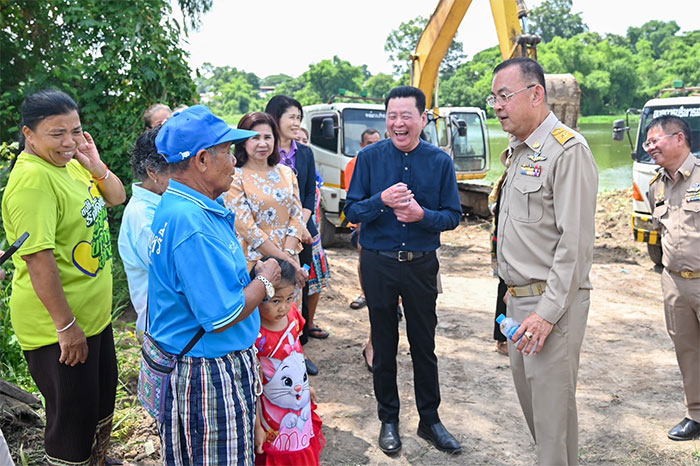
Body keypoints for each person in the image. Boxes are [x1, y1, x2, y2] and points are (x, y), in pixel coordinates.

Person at [147, 105, 282, 464]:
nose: (234, 162)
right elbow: (223, 316)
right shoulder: (191, 222)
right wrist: (265, 281)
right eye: (226, 152)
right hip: (206, 372)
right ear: (202, 160)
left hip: (203, 360)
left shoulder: (189, 205)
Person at [1, 88, 126, 465]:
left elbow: (117, 196)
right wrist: (66, 325)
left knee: (99, 410)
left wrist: (95, 164)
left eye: (75, 130)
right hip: (58, 327)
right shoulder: (33, 181)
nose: (69, 141)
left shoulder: (71, 162)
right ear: (29, 134)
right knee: (72, 427)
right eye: (57, 133)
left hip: (93, 318)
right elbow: (40, 262)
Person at [490, 57, 598, 465]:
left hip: (551, 308)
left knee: (551, 426)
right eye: (494, 97)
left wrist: (547, 313)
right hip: (519, 303)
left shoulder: (567, 151)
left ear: (536, 94)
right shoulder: (519, 152)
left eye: (505, 95)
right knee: (544, 422)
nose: (498, 106)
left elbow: (576, 246)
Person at [344, 86, 463, 455]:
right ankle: (388, 419)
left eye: (406, 116)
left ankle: (430, 420)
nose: (398, 123)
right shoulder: (368, 158)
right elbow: (351, 211)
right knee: (384, 342)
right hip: (378, 263)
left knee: (424, 344)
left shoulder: (440, 161)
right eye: (392, 116)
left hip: (420, 265)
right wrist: (380, 201)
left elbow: (453, 216)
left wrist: (421, 215)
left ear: (422, 119)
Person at [265, 96, 330, 376]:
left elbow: (306, 195)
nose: (296, 123)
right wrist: (286, 232)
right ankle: (269, 350)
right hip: (270, 237)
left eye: (298, 117)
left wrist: (298, 228)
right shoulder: (263, 150)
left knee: (297, 290)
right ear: (275, 117)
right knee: (271, 293)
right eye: (291, 117)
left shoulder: (304, 153)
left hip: (302, 235)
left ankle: (298, 349)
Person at [646, 115, 700, 441]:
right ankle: (695, 413)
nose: (650, 147)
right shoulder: (657, 186)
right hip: (674, 282)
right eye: (648, 142)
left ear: (679, 139)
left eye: (656, 141)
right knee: (687, 350)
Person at [252, 257, 325, 466]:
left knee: (301, 449)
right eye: (275, 300)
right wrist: (257, 424)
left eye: (289, 298)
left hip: (298, 403)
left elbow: (296, 354)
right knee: (277, 453)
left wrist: (308, 387)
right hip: (271, 416)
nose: (283, 307)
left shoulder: (293, 316)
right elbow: (254, 385)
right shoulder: (255, 334)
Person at [223, 112, 307, 285]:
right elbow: (247, 229)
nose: (263, 144)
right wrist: (284, 260)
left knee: (288, 310)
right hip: (256, 263)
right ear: (243, 141)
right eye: (255, 138)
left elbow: (296, 217)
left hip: (291, 261)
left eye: (268, 137)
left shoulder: (286, 173)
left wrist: (289, 255)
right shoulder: (235, 176)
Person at [118, 126, 170, 338]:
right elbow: (173, 272)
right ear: (153, 172)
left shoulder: (162, 203)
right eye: (177, 167)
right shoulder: (143, 218)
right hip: (163, 327)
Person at [344, 128, 382, 372]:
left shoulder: (383, 160)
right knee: (364, 262)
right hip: (364, 223)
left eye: (376, 142)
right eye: (368, 142)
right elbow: (354, 199)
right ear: (361, 143)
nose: (372, 146)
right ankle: (365, 292)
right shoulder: (354, 165)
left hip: (380, 225)